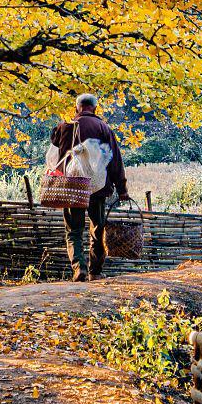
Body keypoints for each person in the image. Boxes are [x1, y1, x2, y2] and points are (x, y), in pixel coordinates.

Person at [50, 93, 128, 281]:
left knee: (74, 230)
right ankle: (95, 271)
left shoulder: (65, 126)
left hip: (72, 186)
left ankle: (79, 269)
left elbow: (54, 142)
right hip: (97, 187)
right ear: (94, 108)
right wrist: (122, 188)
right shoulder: (103, 128)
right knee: (98, 228)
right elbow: (115, 160)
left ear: (77, 107)